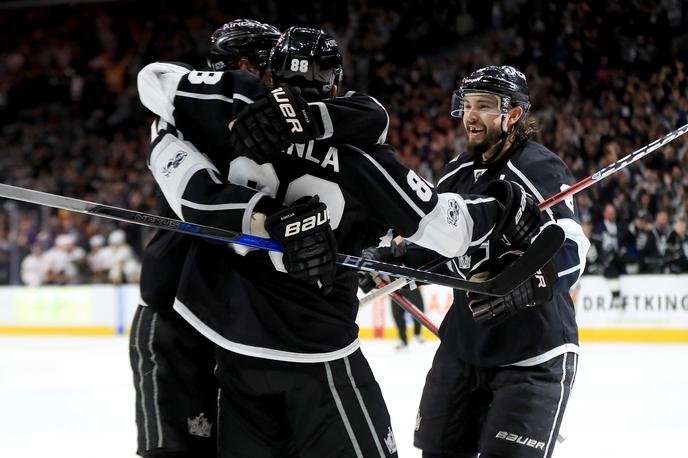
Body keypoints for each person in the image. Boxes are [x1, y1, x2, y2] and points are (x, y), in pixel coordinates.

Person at [147, 27, 543, 457]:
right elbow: (448, 231)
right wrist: (501, 205)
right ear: (335, 82)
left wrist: (263, 216)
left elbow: (159, 96)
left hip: (234, 355)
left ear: (270, 75)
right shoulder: (362, 157)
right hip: (317, 359)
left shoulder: (225, 122)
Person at [132, 19, 409, 458]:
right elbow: (197, 200)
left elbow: (369, 118)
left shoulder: (281, 123)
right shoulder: (188, 121)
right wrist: (276, 223)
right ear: (243, 68)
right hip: (176, 312)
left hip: (232, 318)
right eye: (272, 69)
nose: (285, 83)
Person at [412, 65, 590, 458]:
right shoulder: (455, 173)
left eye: (485, 106)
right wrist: (391, 260)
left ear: (513, 114)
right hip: (462, 348)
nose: (471, 116)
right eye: (467, 105)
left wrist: (524, 285)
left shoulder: (538, 167)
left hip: (533, 353)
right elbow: (438, 250)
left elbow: (574, 250)